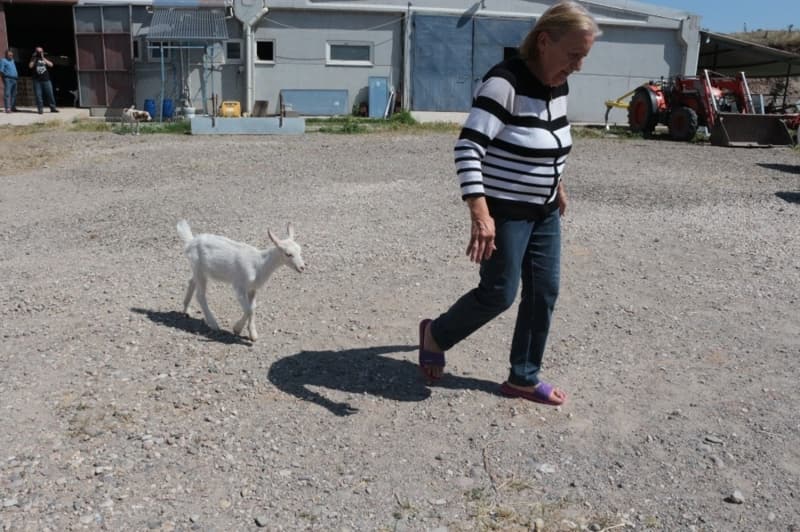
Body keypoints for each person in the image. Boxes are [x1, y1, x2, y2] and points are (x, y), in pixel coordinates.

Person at [417, 1, 600, 406]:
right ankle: (436, 334)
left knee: (544, 292)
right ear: (544, 41)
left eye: (584, 56)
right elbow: (468, 147)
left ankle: (523, 377)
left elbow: (551, 139)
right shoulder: (505, 84)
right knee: (499, 293)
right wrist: (480, 214)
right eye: (575, 54)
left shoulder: (559, 83)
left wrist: (558, 183)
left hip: (545, 210)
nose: (579, 65)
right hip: (506, 212)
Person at [28, 46, 58, 114]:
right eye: (38, 51)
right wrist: (34, 58)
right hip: (37, 81)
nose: (39, 52)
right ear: (35, 52)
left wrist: (43, 57)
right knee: (38, 95)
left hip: (46, 80)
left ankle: (53, 108)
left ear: (43, 52)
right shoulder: (33, 58)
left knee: (50, 94)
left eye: (40, 51)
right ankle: (40, 109)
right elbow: (30, 66)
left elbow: (51, 65)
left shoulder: (45, 58)